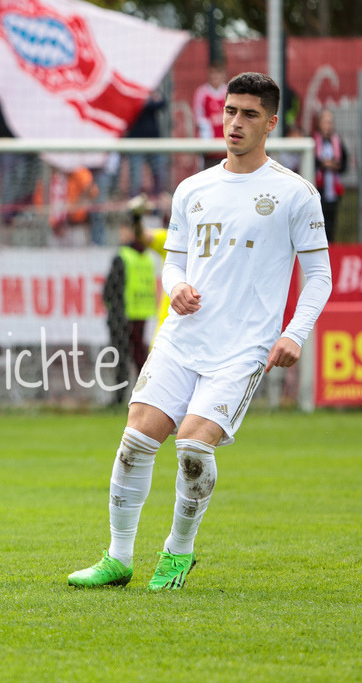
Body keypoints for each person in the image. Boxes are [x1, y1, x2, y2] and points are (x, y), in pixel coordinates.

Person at [68, 73, 332, 591]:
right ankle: (119, 557)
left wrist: (295, 333)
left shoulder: (295, 193)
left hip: (244, 347)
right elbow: (173, 265)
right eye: (231, 110)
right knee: (136, 439)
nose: (235, 122)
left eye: (249, 114)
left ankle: (176, 554)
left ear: (271, 123)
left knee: (192, 447)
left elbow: (318, 275)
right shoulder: (193, 189)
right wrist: (178, 288)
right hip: (183, 336)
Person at [102, 202, 157, 403]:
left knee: (120, 359)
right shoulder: (147, 258)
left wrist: (111, 308)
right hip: (140, 314)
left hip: (122, 314)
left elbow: (109, 290)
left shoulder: (123, 256)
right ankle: (147, 397)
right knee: (140, 358)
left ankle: (119, 399)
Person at [312, 109, 348, 243]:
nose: (328, 125)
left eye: (330, 122)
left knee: (331, 224)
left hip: (333, 191)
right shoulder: (313, 141)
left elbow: (344, 164)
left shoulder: (337, 142)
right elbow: (311, 162)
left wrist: (334, 165)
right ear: (319, 123)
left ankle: (331, 249)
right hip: (318, 189)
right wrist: (323, 164)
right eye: (325, 122)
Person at [192, 63, 227, 168]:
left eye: (218, 74)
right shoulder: (202, 93)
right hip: (209, 142)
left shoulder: (228, 92)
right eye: (213, 74)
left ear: (223, 75)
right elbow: (198, 116)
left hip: (226, 141)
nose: (215, 77)